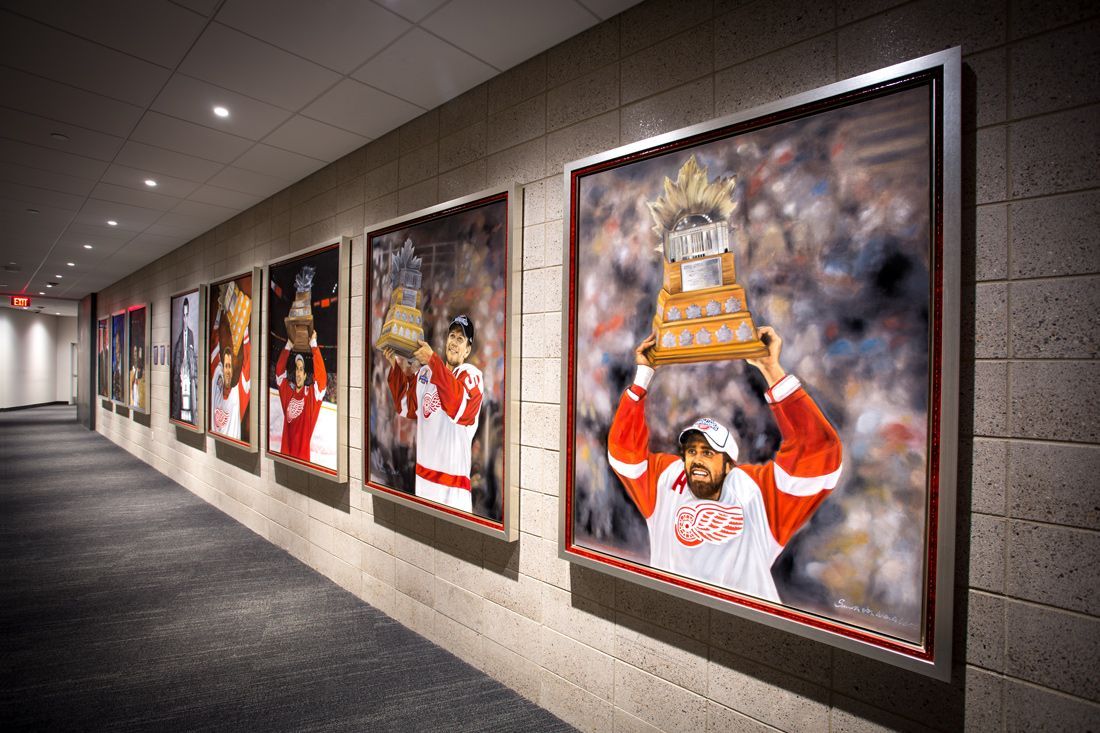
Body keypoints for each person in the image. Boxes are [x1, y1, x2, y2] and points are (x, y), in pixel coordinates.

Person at [607, 326, 842, 602]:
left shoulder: (755, 492)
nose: (696, 459)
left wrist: (771, 370)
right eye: (691, 451)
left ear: (729, 464)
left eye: (708, 452)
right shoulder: (668, 480)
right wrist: (643, 376)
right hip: (672, 617)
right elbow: (624, 453)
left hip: (746, 629)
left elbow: (818, 453)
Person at [383, 314, 483, 513]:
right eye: (452, 336)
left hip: (453, 494)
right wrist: (395, 365)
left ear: (467, 350)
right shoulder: (426, 374)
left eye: (460, 339)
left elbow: (457, 407)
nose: (454, 343)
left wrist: (432, 360)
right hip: (423, 487)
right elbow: (405, 406)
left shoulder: (471, 376)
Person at [274, 330, 327, 462]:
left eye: (301, 369)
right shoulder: (288, 392)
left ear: (305, 376)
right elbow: (279, 372)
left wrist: (314, 345)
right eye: (297, 369)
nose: (298, 373)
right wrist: (288, 346)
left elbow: (321, 381)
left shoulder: (311, 396)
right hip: (285, 458)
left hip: (302, 462)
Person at [209, 319, 251, 440]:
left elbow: (248, 361)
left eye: (230, 366)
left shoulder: (239, 391)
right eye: (226, 366)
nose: (228, 371)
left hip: (232, 450)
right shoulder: (216, 380)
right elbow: (214, 349)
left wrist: (245, 328)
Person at [171, 298, 198, 423]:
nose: (185, 319)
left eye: (187, 315)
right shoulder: (179, 341)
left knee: (189, 405)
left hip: (189, 378)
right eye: (184, 315)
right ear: (182, 317)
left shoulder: (191, 335)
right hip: (182, 379)